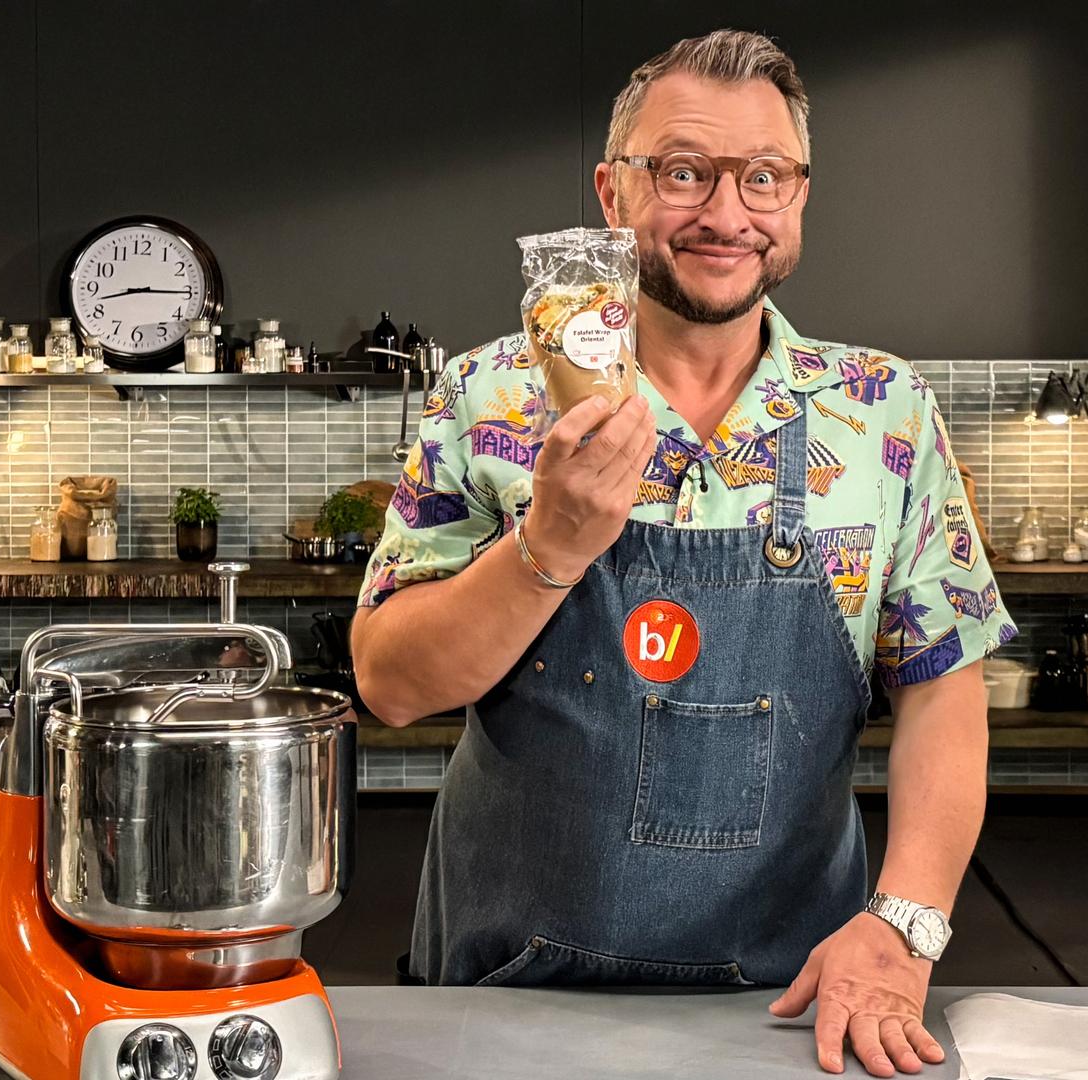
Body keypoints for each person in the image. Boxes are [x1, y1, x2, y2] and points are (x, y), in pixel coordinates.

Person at [351, 28, 1016, 1078]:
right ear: (613, 194)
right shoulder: (492, 397)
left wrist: (906, 923)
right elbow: (388, 683)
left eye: (762, 176)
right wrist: (549, 546)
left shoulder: (881, 410)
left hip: (803, 1005)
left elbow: (944, 684)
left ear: (798, 195)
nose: (725, 212)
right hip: (506, 996)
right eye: (682, 172)